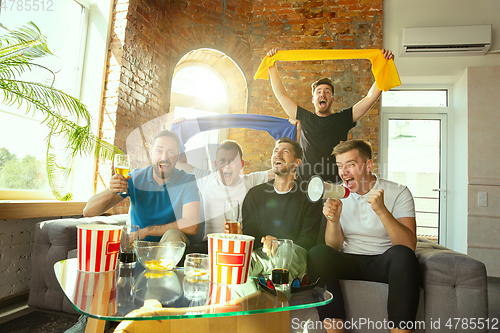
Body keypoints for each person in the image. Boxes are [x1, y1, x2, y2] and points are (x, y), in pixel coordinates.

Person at [307, 140, 420, 333]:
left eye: (350, 164)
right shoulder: (336, 192)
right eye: (340, 166)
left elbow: (408, 245)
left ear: (368, 166)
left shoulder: (398, 192)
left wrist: (382, 210)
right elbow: (333, 247)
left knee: (403, 256)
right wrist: (333, 220)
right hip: (349, 261)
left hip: (383, 263)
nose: (344, 172)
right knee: (317, 253)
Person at [266, 48, 394, 184]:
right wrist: (271, 66)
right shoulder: (304, 117)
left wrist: (384, 66)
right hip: (305, 185)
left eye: (327, 92)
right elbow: (281, 95)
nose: (322, 94)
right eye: (319, 92)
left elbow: (370, 97)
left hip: (334, 185)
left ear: (332, 99)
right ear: (313, 99)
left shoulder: (341, 120)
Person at [225, 137, 322, 277]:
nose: (278, 154)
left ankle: (270, 284)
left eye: (285, 151)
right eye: (275, 151)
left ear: (297, 163)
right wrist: (240, 237)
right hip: (260, 256)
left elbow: (308, 239)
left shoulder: (309, 195)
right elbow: (251, 235)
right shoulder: (255, 194)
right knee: (233, 264)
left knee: (280, 263)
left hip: (294, 257)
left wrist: (281, 246)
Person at [83, 129, 201, 243]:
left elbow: (192, 225)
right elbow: (88, 212)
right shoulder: (135, 178)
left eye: (171, 152)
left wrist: (148, 231)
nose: (164, 158)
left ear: (177, 156)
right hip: (137, 243)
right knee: (97, 227)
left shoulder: (187, 181)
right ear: (151, 153)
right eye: (159, 151)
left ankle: (160, 263)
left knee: (174, 235)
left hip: (170, 246)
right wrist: (111, 191)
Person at [176, 139, 274, 253]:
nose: (227, 165)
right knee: (189, 253)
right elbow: (179, 164)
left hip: (237, 243)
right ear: (216, 164)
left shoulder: (249, 181)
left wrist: (292, 133)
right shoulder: (206, 179)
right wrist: (180, 131)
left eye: (232, 160)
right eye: (222, 161)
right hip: (210, 244)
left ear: (241, 165)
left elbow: (280, 169)